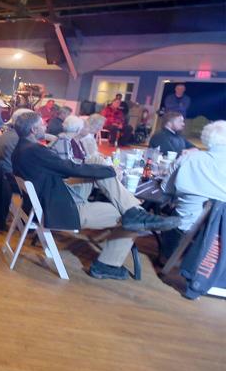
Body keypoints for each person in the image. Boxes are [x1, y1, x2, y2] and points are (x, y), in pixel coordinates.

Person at [10, 112, 180, 280]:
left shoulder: (20, 150)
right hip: (62, 209)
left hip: (51, 200)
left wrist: (102, 170)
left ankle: (132, 210)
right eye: (42, 124)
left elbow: (63, 169)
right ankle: (107, 264)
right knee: (131, 218)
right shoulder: (36, 151)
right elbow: (68, 169)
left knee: (97, 163)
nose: (46, 126)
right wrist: (109, 171)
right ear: (33, 130)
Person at [160, 121, 226, 260]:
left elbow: (165, 189)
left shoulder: (188, 159)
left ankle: (166, 257)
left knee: (172, 211)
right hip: (219, 239)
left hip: (183, 232)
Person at [0, 108, 34, 175]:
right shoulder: (20, 139)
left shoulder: (9, 133)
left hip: (1, 173)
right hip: (11, 177)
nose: (44, 126)